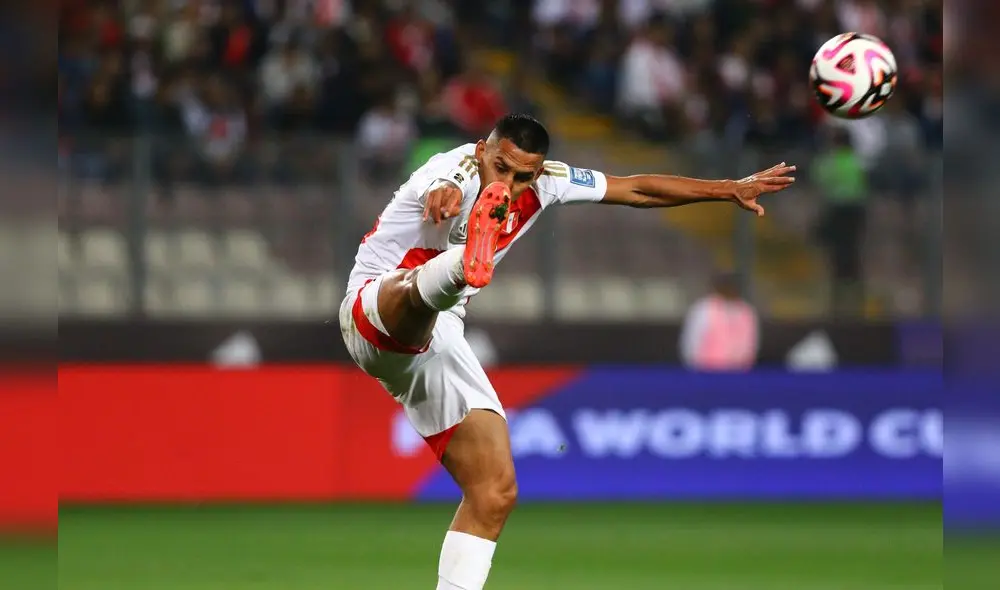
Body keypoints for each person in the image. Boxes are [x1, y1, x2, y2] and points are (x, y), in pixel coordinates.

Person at [338, 113, 795, 590]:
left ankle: (464, 264)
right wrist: (447, 194)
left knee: (494, 491)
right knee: (419, 291)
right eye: (500, 168)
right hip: (371, 308)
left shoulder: (550, 181)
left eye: (522, 177)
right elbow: (442, 186)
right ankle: (461, 265)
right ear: (483, 151)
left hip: (439, 338)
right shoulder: (453, 168)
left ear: (537, 172)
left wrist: (727, 189)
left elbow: (636, 189)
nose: (508, 184)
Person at [679, 272, 760, 371]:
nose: (729, 290)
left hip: (739, 373)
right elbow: (691, 343)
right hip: (707, 372)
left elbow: (751, 345)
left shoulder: (746, 311)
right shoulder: (704, 309)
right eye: (726, 286)